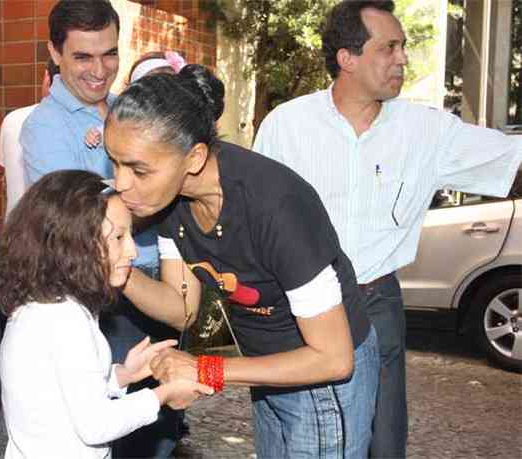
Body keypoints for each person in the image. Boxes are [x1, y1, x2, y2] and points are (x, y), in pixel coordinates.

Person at [252, 1, 522, 457]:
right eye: (389, 47)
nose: (402, 58)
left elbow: (510, 160)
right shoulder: (287, 126)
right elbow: (254, 218)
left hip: (378, 304)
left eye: (403, 47)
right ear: (347, 58)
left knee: (382, 440)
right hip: (297, 306)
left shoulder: (428, 131)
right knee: (292, 430)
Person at [103, 64, 380, 458]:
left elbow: (334, 359)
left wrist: (205, 370)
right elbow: (182, 308)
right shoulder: (169, 200)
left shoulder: (276, 208)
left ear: (194, 157)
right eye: (115, 162)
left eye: (138, 169)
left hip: (323, 380)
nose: (121, 183)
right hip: (269, 367)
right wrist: (119, 270)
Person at [20, 2, 180, 456]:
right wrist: (153, 184)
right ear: (55, 53)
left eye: (109, 54)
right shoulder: (44, 127)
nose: (99, 70)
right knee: (120, 434)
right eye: (82, 57)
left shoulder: (127, 108)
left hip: (158, 290)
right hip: (109, 298)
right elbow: (86, 220)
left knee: (162, 434)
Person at [0, 170, 212, 459]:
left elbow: (62, 395)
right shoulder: (64, 320)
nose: (131, 251)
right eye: (118, 237)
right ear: (71, 244)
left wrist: (122, 375)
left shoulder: (46, 306)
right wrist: (162, 396)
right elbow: (96, 425)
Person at [84, 50, 187, 149]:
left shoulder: (186, 114)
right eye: (147, 92)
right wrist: (99, 135)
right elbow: (119, 130)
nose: (158, 96)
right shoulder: (138, 116)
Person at [0, 59, 58, 217]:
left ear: (47, 78)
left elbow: (5, 185)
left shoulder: (12, 120)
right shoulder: (93, 124)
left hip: (15, 231)